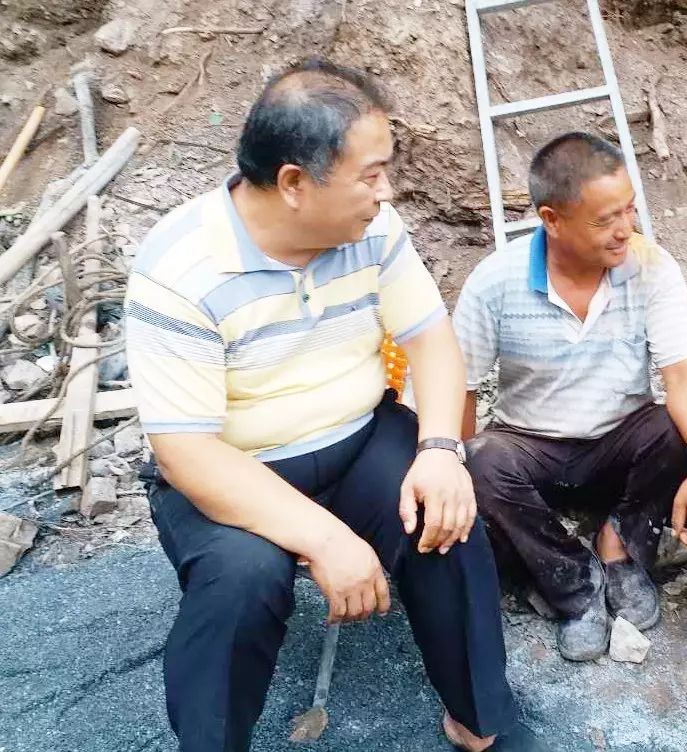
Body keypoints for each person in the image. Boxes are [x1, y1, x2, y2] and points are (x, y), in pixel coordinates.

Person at [124, 58, 545, 752]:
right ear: (294, 182)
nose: (386, 192)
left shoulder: (374, 231)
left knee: (444, 513)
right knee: (239, 580)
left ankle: (480, 721)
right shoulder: (180, 268)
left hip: (358, 438)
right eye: (370, 175)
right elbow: (186, 451)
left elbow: (431, 341)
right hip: (234, 466)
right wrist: (326, 540)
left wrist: (441, 450)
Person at [454, 132, 687, 662]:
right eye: (605, 219)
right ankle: (573, 582)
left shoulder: (651, 267)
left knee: (678, 431)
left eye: (628, 209)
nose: (625, 229)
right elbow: (459, 386)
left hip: (619, 440)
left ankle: (618, 548)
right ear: (552, 219)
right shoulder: (495, 282)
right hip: (531, 445)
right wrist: (458, 483)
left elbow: (686, 376)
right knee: (478, 458)